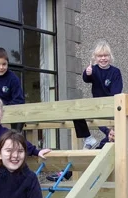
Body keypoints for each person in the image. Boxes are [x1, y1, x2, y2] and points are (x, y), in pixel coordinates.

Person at [48, 39, 123, 182]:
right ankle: (88, 138)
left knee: (104, 144)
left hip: (111, 109)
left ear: (110, 56)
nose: (103, 59)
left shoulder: (115, 72)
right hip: (96, 108)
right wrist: (87, 73)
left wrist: (111, 126)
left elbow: (116, 91)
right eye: (100, 56)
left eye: (105, 55)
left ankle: (67, 173)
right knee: (77, 111)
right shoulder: (93, 70)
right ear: (95, 58)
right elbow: (86, 78)